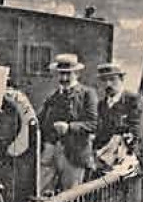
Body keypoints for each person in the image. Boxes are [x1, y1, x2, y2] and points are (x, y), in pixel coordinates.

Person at [37, 53, 99, 192]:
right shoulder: (52, 97)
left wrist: (69, 127)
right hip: (50, 155)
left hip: (75, 155)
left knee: (70, 197)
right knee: (42, 194)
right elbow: (40, 122)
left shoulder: (87, 94)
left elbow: (93, 124)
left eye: (68, 74)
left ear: (77, 74)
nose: (64, 78)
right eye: (61, 74)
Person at [93, 62, 143, 177]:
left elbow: (136, 131)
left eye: (112, 79)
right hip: (108, 162)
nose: (108, 84)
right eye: (104, 80)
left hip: (132, 159)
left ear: (121, 79)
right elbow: (101, 133)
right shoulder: (101, 105)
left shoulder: (134, 100)